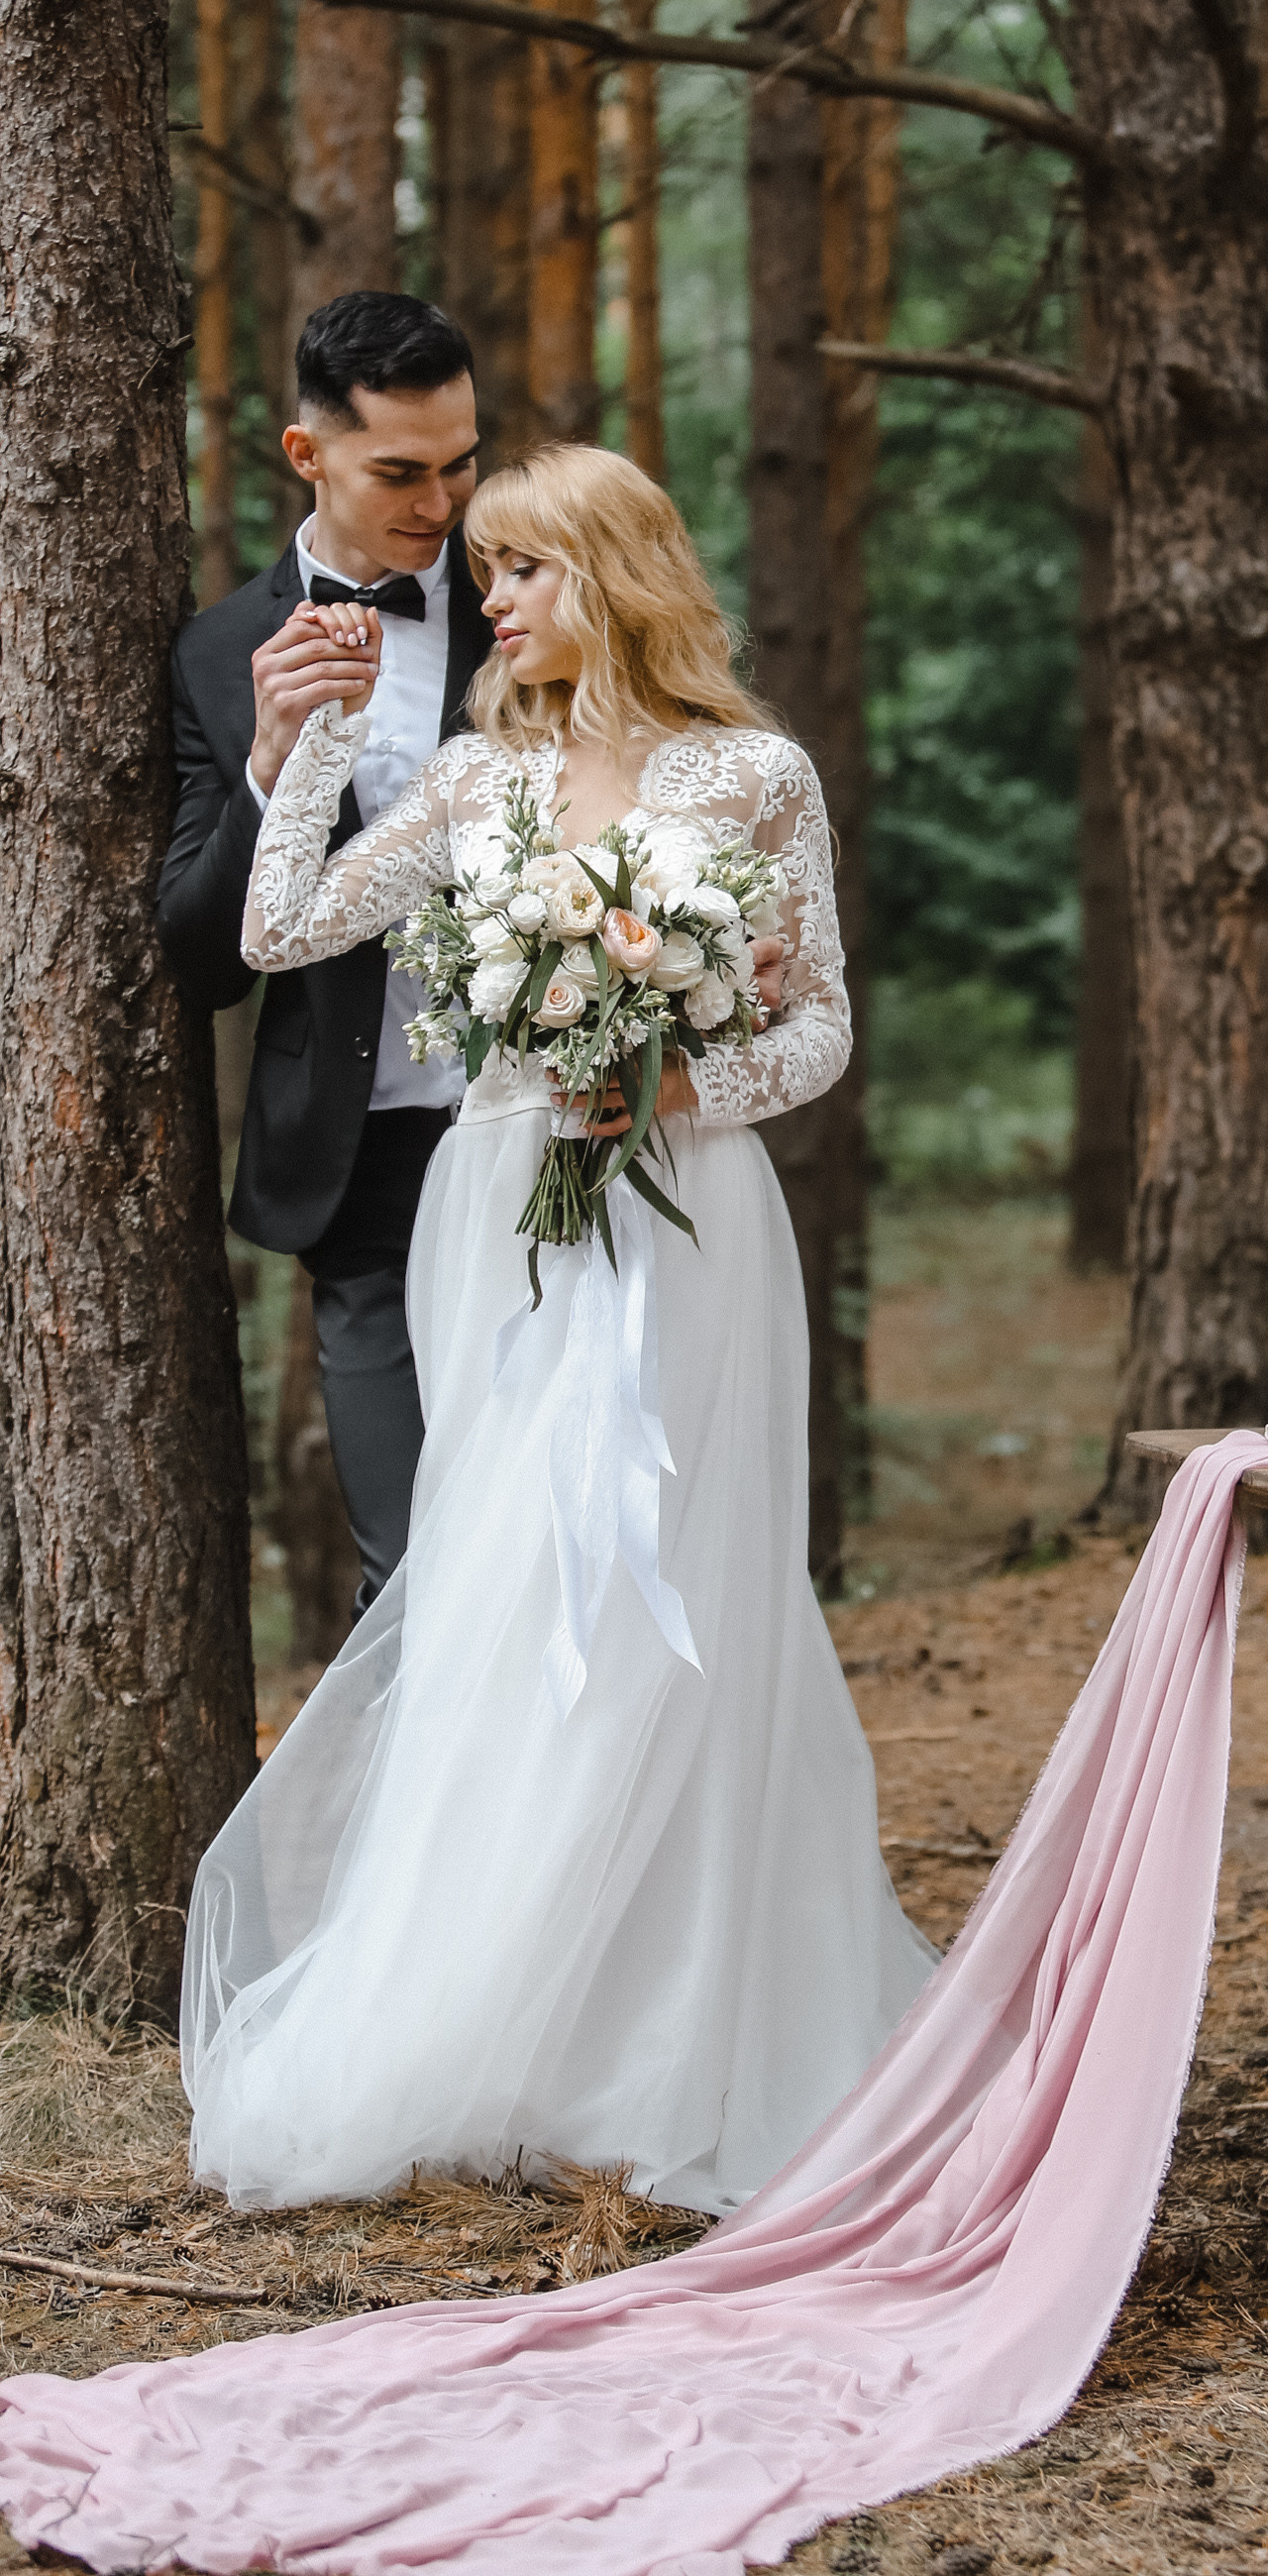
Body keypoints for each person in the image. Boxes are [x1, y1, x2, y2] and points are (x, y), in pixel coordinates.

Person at [181, 442, 934, 2213]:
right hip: (506, 1221)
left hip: (690, 1225)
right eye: (489, 570)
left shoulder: (757, 776)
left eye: (519, 570)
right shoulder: (471, 782)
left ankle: (665, 2029)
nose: (490, 599)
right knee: (518, 1580)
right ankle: (489, 2012)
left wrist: (677, 1084)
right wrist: (292, 762)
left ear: (608, 575)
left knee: (692, 1587)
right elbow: (287, 931)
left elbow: (818, 1028)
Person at [159, 293, 493, 1610]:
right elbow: (200, 963)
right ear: (309, 456)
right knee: (410, 1571)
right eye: (399, 472)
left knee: (563, 1541)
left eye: (461, 462)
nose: (440, 500)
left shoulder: (525, 605)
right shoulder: (221, 650)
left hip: (552, 1139)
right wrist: (261, 772)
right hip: (360, 1174)